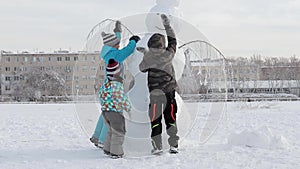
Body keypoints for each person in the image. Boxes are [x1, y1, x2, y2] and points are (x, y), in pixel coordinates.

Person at [98, 20, 141, 159]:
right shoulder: (115, 55)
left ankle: (105, 146)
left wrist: (118, 32)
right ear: (113, 46)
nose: (118, 45)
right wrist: (133, 41)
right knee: (117, 129)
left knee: (109, 124)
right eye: (117, 43)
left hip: (107, 96)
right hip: (116, 96)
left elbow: (117, 45)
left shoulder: (109, 53)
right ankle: (116, 152)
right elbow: (126, 51)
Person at [138, 14, 179, 154]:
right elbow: (173, 41)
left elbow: (141, 68)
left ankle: (157, 147)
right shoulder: (168, 54)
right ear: (163, 45)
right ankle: (174, 145)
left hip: (155, 94)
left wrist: (145, 54)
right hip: (169, 93)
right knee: (171, 118)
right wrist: (167, 25)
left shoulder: (149, 57)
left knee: (155, 120)